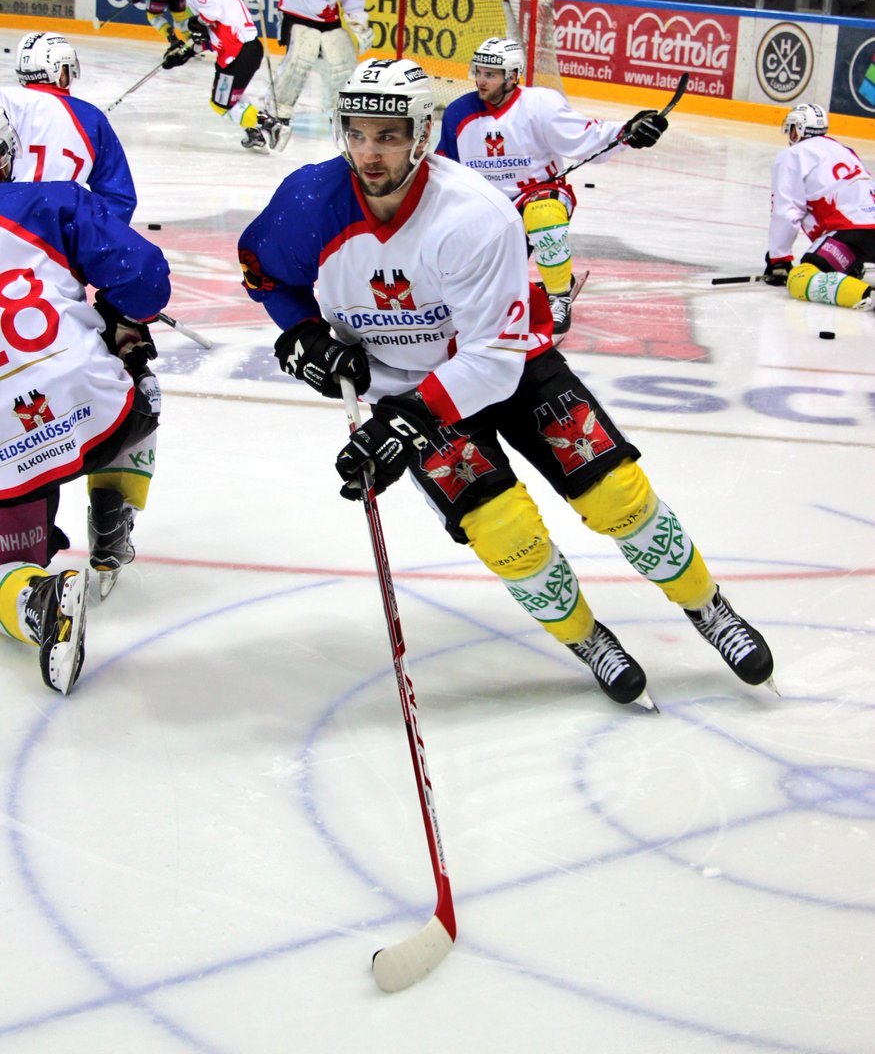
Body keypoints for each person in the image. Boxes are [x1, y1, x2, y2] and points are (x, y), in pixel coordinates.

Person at [238, 58, 775, 710]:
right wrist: (303, 333)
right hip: (406, 389)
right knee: (503, 532)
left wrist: (404, 419)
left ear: (422, 134)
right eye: (356, 133)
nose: (369, 152)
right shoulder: (308, 204)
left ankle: (707, 607)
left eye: (388, 135)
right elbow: (266, 275)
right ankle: (586, 639)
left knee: (616, 495)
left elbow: (493, 359)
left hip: (512, 370)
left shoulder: (474, 213)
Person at [0, 107, 170, 691]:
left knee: (9, 565)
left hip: (6, 463)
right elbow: (144, 277)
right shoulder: (52, 200)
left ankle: (38, 598)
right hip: (94, 413)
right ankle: (112, 511)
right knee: (135, 371)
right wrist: (120, 315)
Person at [436, 37, 667, 341]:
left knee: (543, 214)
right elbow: (445, 168)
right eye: (479, 72)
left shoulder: (540, 105)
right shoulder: (458, 112)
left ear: (512, 76)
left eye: (490, 74)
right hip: (487, 210)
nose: (481, 80)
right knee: (477, 288)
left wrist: (629, 131)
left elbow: (585, 137)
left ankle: (559, 295)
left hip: (537, 196)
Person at [0, 31, 137, 223]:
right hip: (58, 233)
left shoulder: (4, 99)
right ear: (61, 71)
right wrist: (83, 233)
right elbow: (119, 199)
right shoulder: (91, 117)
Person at [261, 0, 374, 150]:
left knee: (343, 62)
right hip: (296, 14)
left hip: (327, 19)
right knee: (299, 60)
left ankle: (341, 112)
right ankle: (277, 112)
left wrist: (359, 24)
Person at [165, 0, 282, 151]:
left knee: (220, 103)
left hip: (238, 54)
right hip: (248, 51)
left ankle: (267, 123)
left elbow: (212, 13)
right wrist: (186, 52)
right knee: (232, 97)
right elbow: (215, 36)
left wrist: (197, 23)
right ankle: (253, 133)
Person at [763, 103, 875, 311]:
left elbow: (786, 211)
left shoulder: (793, 155)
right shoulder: (843, 149)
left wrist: (779, 260)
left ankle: (867, 295)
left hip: (849, 236)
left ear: (799, 129)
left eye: (792, 128)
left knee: (799, 279)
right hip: (864, 231)